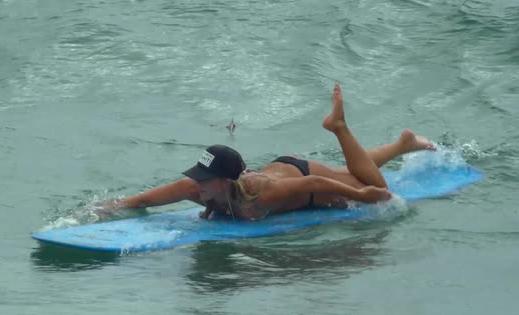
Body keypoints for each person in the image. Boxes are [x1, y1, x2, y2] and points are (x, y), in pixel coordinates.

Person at [97, 84, 435, 220]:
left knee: (369, 183)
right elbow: (140, 201)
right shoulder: (196, 190)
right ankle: (402, 145)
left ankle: (339, 127)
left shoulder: (265, 194)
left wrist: (364, 194)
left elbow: (315, 183)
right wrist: (102, 209)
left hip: (299, 176)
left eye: (204, 178)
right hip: (281, 169)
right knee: (352, 172)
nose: (196, 184)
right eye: (198, 176)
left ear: (226, 180)